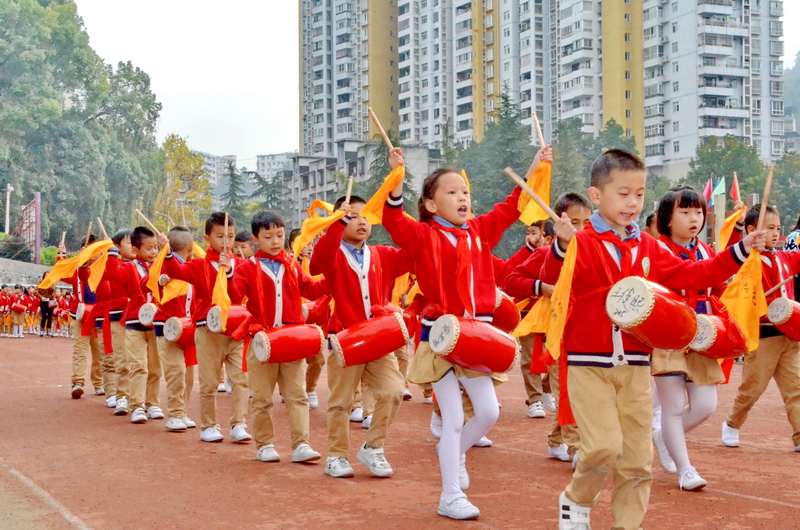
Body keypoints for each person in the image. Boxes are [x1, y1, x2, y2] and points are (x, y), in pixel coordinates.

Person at [541, 149, 765, 530]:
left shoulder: (648, 246)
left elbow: (691, 273)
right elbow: (555, 280)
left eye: (640, 194)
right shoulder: (582, 241)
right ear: (596, 196)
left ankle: (628, 524)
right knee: (602, 449)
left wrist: (739, 251)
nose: (632, 202)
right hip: (587, 365)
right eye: (623, 193)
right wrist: (561, 247)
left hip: (635, 366)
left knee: (636, 459)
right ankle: (576, 501)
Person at [381, 145, 551, 520]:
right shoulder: (423, 237)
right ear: (429, 204)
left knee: (489, 412)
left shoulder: (479, 230)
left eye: (465, 192)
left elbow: (512, 207)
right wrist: (396, 180)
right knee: (454, 418)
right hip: (439, 337)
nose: (462, 197)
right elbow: (393, 222)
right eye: (452, 192)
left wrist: (535, 166)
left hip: (476, 337)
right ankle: (450, 494)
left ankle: (454, 453)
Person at [310, 195, 410, 479]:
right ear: (341, 222)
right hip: (346, 340)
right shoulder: (333, 254)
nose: (361, 221)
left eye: (365, 216)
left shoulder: (382, 254)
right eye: (352, 216)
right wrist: (335, 224)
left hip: (379, 339)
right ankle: (337, 455)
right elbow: (317, 263)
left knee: (393, 391)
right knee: (341, 401)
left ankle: (374, 447)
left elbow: (415, 253)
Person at [230, 211, 329, 463]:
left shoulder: (292, 266)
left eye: (279, 235)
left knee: (297, 395)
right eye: (268, 236)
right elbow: (233, 296)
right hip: (261, 341)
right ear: (255, 239)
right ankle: (264, 445)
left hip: (291, 340)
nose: (275, 241)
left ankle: (302, 444)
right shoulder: (247, 267)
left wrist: (332, 276)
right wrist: (227, 274)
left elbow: (312, 288)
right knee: (262, 398)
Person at [650, 186, 728, 491]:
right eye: (684, 212)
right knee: (670, 406)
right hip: (668, 337)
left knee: (706, 406)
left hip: (703, 337)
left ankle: (664, 435)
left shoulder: (707, 251)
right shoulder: (657, 251)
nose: (694, 218)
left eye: (698, 212)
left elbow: (717, 286)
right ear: (667, 218)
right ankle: (686, 470)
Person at [505, 192, 591, 465]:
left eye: (587, 222)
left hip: (587, 334)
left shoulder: (594, 252)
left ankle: (557, 441)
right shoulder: (545, 253)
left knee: (577, 391)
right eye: (574, 222)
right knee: (568, 390)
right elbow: (511, 280)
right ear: (558, 221)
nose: (580, 229)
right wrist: (542, 287)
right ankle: (576, 447)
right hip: (556, 336)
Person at [161, 212, 251, 443]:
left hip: (236, 329)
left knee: (241, 379)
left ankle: (239, 423)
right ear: (207, 238)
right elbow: (176, 272)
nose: (226, 242)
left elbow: (240, 294)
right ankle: (209, 426)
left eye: (230, 236)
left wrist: (230, 272)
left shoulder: (240, 264)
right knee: (210, 381)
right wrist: (168, 253)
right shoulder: (198, 265)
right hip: (207, 330)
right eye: (220, 236)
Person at [723, 204, 800, 452]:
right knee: (752, 388)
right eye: (769, 228)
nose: (776, 233)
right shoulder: (749, 262)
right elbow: (728, 252)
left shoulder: (786, 258)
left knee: (796, 388)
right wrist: (740, 234)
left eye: (778, 228)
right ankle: (732, 423)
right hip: (763, 336)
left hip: (789, 336)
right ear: (753, 231)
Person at [105, 227, 164, 424]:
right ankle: (136, 405)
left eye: (155, 248)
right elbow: (112, 274)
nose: (153, 252)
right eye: (149, 248)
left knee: (155, 367)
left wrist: (167, 250)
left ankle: (152, 403)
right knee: (138, 366)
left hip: (155, 322)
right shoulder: (130, 267)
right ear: (136, 250)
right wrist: (112, 252)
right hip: (134, 322)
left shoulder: (159, 265)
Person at [149, 226, 198, 431]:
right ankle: (175, 414)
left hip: (188, 328)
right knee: (175, 372)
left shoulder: (192, 266)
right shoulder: (163, 264)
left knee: (187, 374)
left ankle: (182, 411)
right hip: (168, 327)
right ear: (190, 247)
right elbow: (150, 281)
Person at [58, 236, 107, 398]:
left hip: (98, 316)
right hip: (79, 315)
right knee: (80, 350)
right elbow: (61, 272)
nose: (91, 253)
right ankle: (77, 382)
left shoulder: (105, 269)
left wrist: (111, 249)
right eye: (87, 249)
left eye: (95, 249)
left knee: (99, 352)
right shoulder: (77, 269)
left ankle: (99, 383)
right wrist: (61, 256)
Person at [106, 229, 135, 414]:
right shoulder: (116, 266)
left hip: (142, 319)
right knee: (122, 360)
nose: (133, 246)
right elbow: (111, 273)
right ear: (117, 247)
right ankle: (122, 395)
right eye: (128, 243)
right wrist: (110, 255)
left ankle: (145, 400)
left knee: (143, 364)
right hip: (120, 318)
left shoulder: (146, 265)